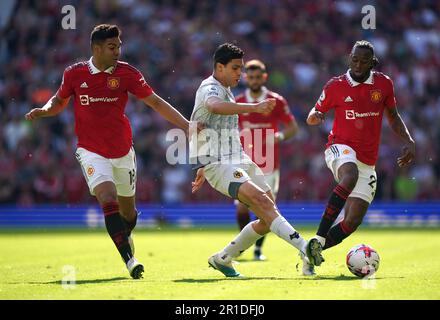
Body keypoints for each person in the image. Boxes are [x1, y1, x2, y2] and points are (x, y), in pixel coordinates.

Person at [25, 24, 189, 279]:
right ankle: (130, 261)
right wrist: (45, 110)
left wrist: (186, 126)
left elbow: (155, 101)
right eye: (112, 47)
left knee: (128, 213)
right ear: (96, 48)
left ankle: (125, 236)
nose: (118, 51)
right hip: (91, 151)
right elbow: (59, 100)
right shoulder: (74, 73)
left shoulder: (128, 74)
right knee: (106, 196)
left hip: (123, 151)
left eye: (119, 46)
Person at [190, 43, 323, 277]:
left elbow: (209, 123)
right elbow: (213, 106)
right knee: (261, 202)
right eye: (235, 69)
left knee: (268, 212)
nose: (239, 74)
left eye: (241, 69)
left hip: (240, 157)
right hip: (221, 163)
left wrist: (200, 160)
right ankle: (304, 248)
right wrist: (254, 107)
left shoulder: (226, 88)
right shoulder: (210, 87)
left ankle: (223, 258)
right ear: (219, 67)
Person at [306, 40, 415, 275]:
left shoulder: (384, 84)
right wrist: (315, 116)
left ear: (372, 62)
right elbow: (315, 112)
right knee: (350, 175)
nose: (357, 64)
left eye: (364, 61)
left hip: (368, 159)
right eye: (354, 59)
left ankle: (312, 250)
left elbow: (394, 116)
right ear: (349, 58)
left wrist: (408, 140)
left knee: (352, 221)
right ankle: (318, 235)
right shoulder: (335, 86)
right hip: (339, 147)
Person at [235, 59, 299, 261]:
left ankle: (257, 250)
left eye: (257, 77)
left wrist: (278, 137)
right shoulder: (238, 102)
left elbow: (292, 128)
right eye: (250, 76)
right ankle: (244, 245)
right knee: (242, 207)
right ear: (246, 78)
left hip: (270, 163)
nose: (254, 80)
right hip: (244, 162)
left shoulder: (276, 101)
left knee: (266, 208)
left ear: (264, 77)